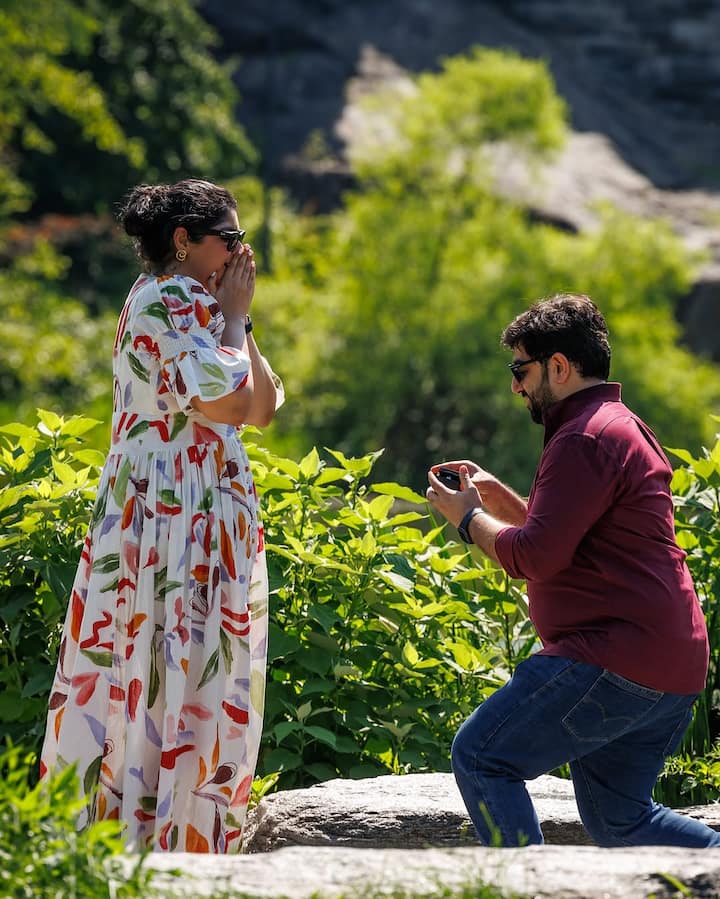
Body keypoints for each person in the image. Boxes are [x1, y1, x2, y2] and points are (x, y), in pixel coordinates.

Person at [40, 178, 283, 853]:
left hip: (188, 515)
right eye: (228, 239)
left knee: (177, 668)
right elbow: (236, 405)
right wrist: (234, 318)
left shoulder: (198, 307)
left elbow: (261, 408)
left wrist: (238, 319)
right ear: (184, 241)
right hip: (171, 517)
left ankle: (163, 838)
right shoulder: (168, 299)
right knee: (174, 666)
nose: (241, 252)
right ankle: (162, 844)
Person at [426, 293, 720, 848]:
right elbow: (561, 539)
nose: (515, 386)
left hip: (615, 658)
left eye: (521, 369)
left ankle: (526, 890)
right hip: (667, 662)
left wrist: (468, 520)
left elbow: (532, 557)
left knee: (482, 756)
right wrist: (494, 498)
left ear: (559, 367)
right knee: (621, 820)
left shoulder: (583, 437)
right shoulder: (612, 425)